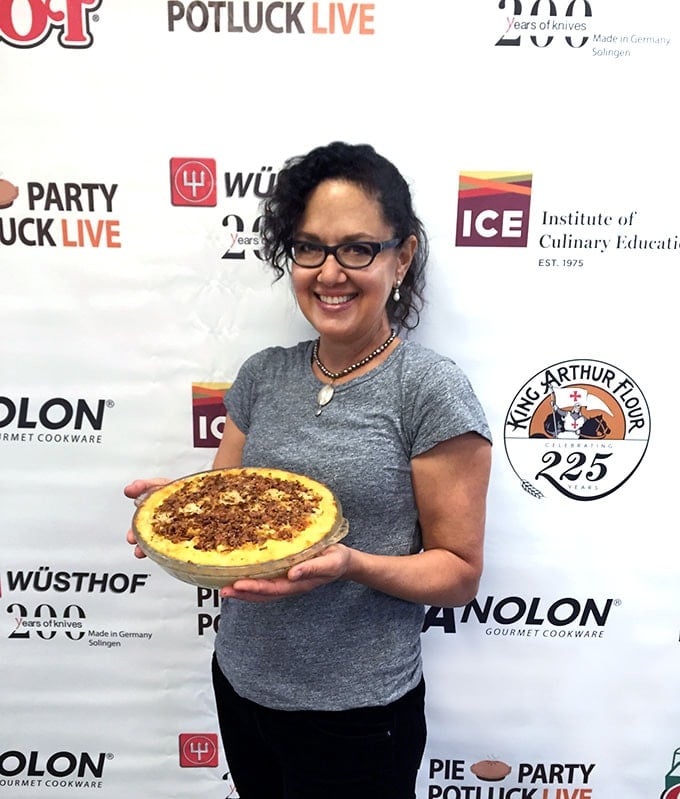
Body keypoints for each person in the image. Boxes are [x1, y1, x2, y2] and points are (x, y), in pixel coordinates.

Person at [126, 141, 492, 799]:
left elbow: (459, 573)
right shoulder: (264, 374)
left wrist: (353, 562)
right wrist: (182, 509)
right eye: (310, 247)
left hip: (357, 714)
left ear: (402, 256)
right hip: (241, 682)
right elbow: (228, 503)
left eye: (358, 248)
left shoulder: (429, 389)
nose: (330, 271)